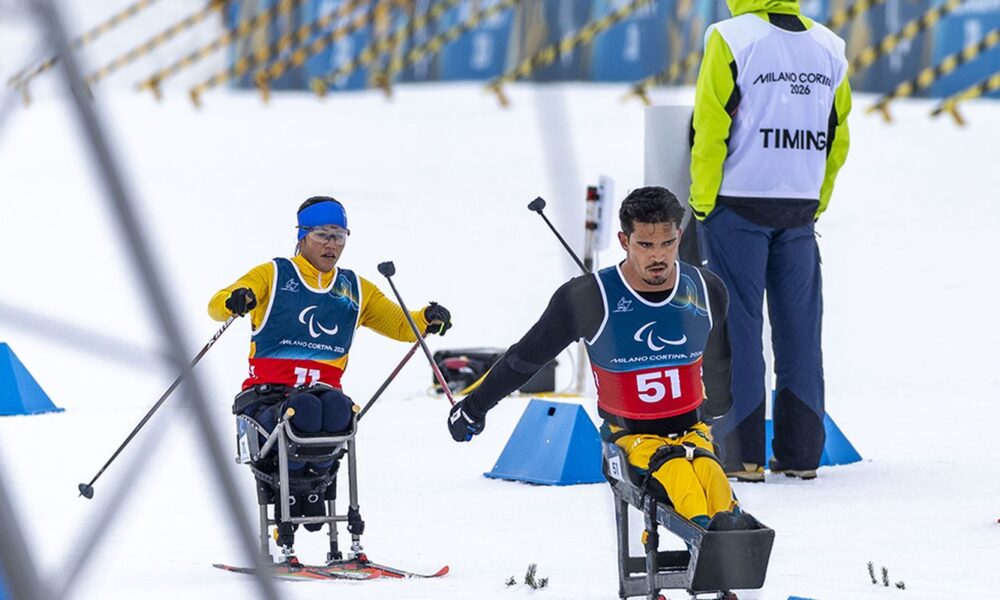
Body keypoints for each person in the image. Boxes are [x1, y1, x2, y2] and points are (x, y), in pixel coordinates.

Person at [448, 186, 742, 528]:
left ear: (679, 235)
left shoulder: (706, 290)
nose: (658, 256)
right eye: (645, 245)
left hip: (692, 433)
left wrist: (717, 407)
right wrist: (474, 407)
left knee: (718, 490)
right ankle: (714, 553)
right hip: (632, 439)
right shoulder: (590, 297)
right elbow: (525, 359)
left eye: (668, 243)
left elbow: (720, 363)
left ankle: (730, 556)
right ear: (623, 240)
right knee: (686, 489)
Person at [209, 196, 452, 558]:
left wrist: (427, 317)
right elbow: (216, 305)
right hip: (268, 399)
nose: (331, 244)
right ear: (303, 236)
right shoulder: (274, 276)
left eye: (339, 236)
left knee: (340, 409)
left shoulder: (354, 289)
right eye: (323, 234)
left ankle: (315, 489)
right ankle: (288, 498)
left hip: (324, 396)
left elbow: (402, 325)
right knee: (304, 409)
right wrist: (236, 299)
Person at [688, 0, 852, 481]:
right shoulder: (830, 46)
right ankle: (802, 455)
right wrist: (816, 201)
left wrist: (702, 202)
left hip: (736, 205)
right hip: (799, 208)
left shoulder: (730, 36)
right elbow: (837, 136)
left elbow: (711, 126)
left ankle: (742, 456)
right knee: (801, 333)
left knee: (735, 330)